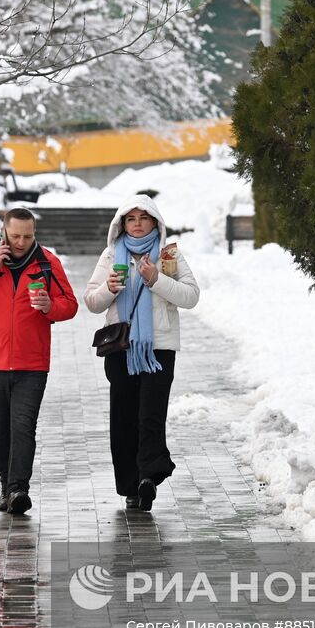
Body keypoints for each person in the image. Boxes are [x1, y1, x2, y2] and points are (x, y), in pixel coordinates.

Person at [0, 207, 78, 515]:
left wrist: (49, 306)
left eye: (28, 235)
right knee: (0, 429)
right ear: (4, 231)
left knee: (23, 426)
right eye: (16, 235)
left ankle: (19, 489)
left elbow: (69, 305)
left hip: (31, 363)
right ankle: (6, 488)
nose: (22, 242)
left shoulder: (47, 263)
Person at [83, 195, 199, 512]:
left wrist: (156, 279)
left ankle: (149, 477)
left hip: (158, 349)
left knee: (150, 415)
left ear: (155, 222)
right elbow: (92, 302)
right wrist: (109, 287)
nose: (136, 224)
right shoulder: (111, 255)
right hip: (120, 349)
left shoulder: (168, 255)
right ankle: (130, 485)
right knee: (123, 417)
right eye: (130, 219)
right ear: (122, 224)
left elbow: (190, 297)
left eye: (143, 218)